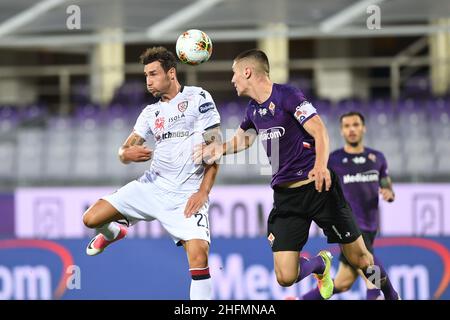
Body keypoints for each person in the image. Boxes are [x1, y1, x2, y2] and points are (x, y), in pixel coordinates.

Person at [194, 49, 386, 299]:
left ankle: (391, 294)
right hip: (286, 198)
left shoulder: (288, 95)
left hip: (318, 189)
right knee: (285, 277)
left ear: (248, 72)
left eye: (234, 74)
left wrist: (320, 165)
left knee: (360, 259)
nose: (232, 80)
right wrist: (218, 149)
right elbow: (244, 140)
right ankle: (319, 264)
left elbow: (320, 131)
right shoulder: (253, 110)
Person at [82, 46, 221, 300]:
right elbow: (125, 149)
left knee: (199, 255)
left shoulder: (199, 98)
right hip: (152, 186)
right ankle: (115, 233)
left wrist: (203, 191)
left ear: (171, 73)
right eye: (146, 75)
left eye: (153, 74)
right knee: (90, 219)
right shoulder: (150, 113)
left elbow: (214, 146)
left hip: (186, 195)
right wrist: (126, 154)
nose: (148, 81)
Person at [302, 111, 399, 300]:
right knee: (371, 276)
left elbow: (386, 184)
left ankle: (302, 299)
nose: (352, 129)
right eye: (347, 126)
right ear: (341, 131)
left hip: (371, 226)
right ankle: (392, 297)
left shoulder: (377, 158)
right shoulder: (333, 159)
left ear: (364, 128)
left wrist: (389, 193)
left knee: (343, 283)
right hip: (349, 226)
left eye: (355, 125)